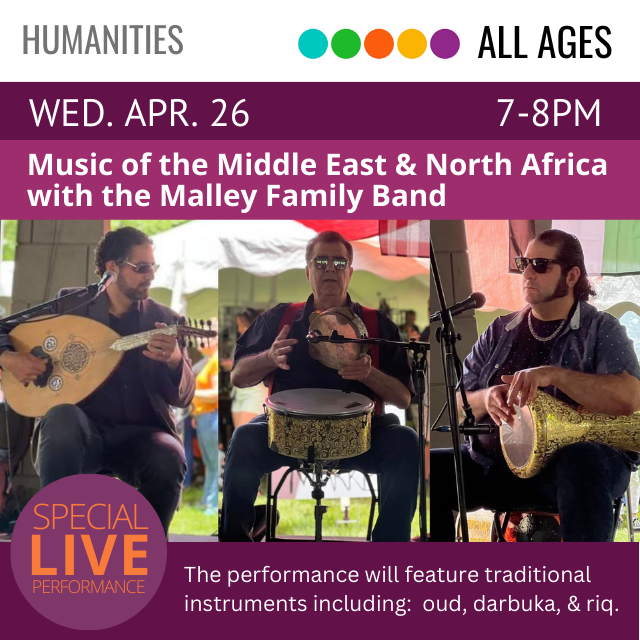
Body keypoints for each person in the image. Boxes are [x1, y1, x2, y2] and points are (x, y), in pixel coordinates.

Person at [431, 229, 640, 542]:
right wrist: (487, 397)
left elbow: (629, 398)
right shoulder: (499, 331)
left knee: (581, 460)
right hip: (497, 467)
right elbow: (459, 404)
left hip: (573, 470)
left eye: (540, 264)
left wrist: (554, 375)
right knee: (432, 468)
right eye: (523, 262)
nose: (527, 272)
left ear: (571, 276)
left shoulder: (600, 328)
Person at [220, 230, 419, 541]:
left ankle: (389, 552)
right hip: (287, 436)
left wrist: (369, 374)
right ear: (308, 271)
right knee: (245, 437)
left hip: (361, 437)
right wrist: (269, 357)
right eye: (321, 261)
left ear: (350, 272)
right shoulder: (279, 318)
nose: (330, 268)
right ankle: (234, 546)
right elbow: (239, 376)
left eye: (339, 262)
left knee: (405, 441)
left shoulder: (378, 325)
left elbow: (404, 398)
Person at [0, 227, 195, 536]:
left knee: (169, 453)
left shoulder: (166, 320)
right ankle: (57, 539)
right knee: (61, 416)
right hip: (82, 436)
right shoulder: (71, 305)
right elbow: (6, 330)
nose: (150, 276)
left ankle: (148, 551)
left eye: (152, 267)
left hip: (141, 439)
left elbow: (184, 397)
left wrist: (174, 361)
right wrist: (8, 358)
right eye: (141, 267)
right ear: (112, 269)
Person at [191, 327, 219, 516]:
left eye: (204, 337)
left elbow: (215, 393)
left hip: (211, 416)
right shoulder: (209, 361)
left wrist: (189, 393)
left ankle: (212, 504)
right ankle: (207, 501)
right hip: (203, 417)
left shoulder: (215, 361)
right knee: (209, 461)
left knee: (213, 461)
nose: (199, 341)